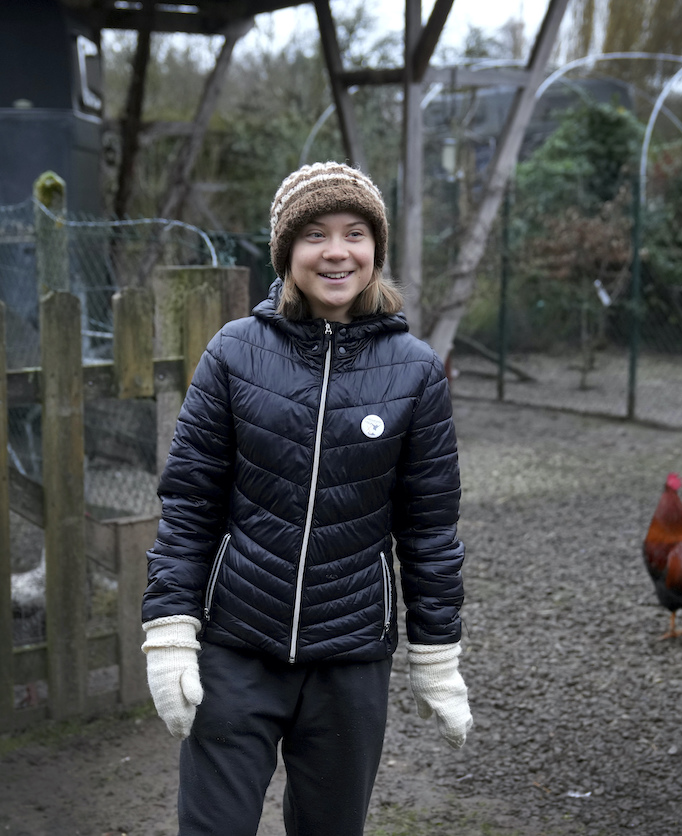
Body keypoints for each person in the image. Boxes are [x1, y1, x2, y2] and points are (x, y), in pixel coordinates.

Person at [140, 161, 472, 836]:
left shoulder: (414, 370)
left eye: (355, 232)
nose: (336, 251)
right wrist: (170, 633)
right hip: (239, 645)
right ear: (288, 251)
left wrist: (437, 655)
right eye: (314, 234)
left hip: (350, 659)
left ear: (375, 249)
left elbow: (430, 526)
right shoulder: (233, 354)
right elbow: (190, 502)